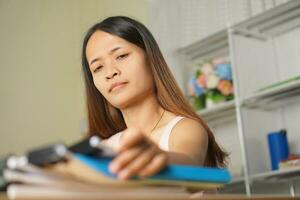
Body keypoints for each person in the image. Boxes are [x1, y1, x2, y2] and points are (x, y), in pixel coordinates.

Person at [81, 16, 227, 180]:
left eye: (121, 56)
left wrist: (160, 160)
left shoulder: (186, 129)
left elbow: (189, 161)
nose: (110, 73)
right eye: (98, 67)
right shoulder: (104, 149)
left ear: (151, 59)